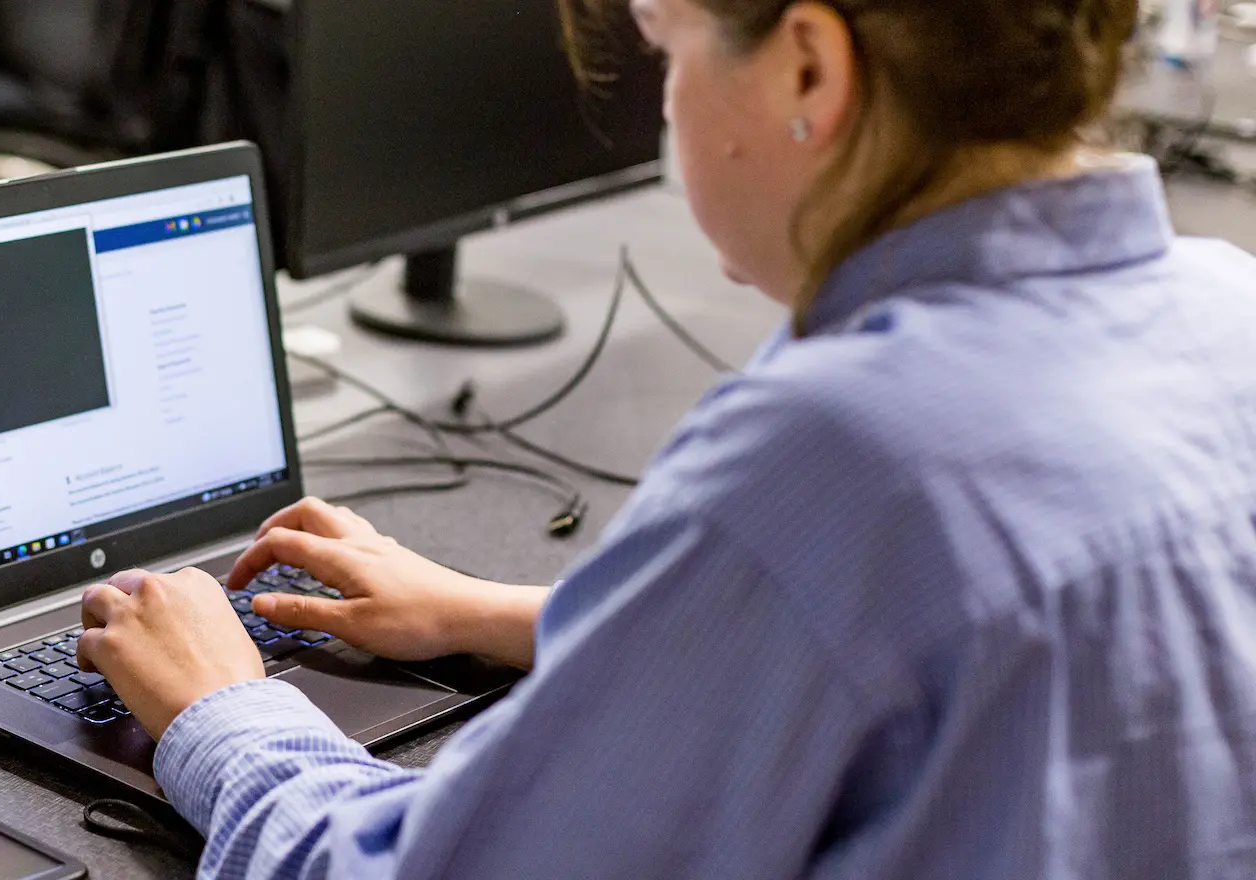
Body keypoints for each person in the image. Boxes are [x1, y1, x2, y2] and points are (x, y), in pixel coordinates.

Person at [75, 0, 1256, 876]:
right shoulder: (1224, 308)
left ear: (809, 64)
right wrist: (511, 613)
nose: (666, 107)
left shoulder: (840, 452)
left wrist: (221, 710)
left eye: (667, 49)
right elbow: (914, 655)